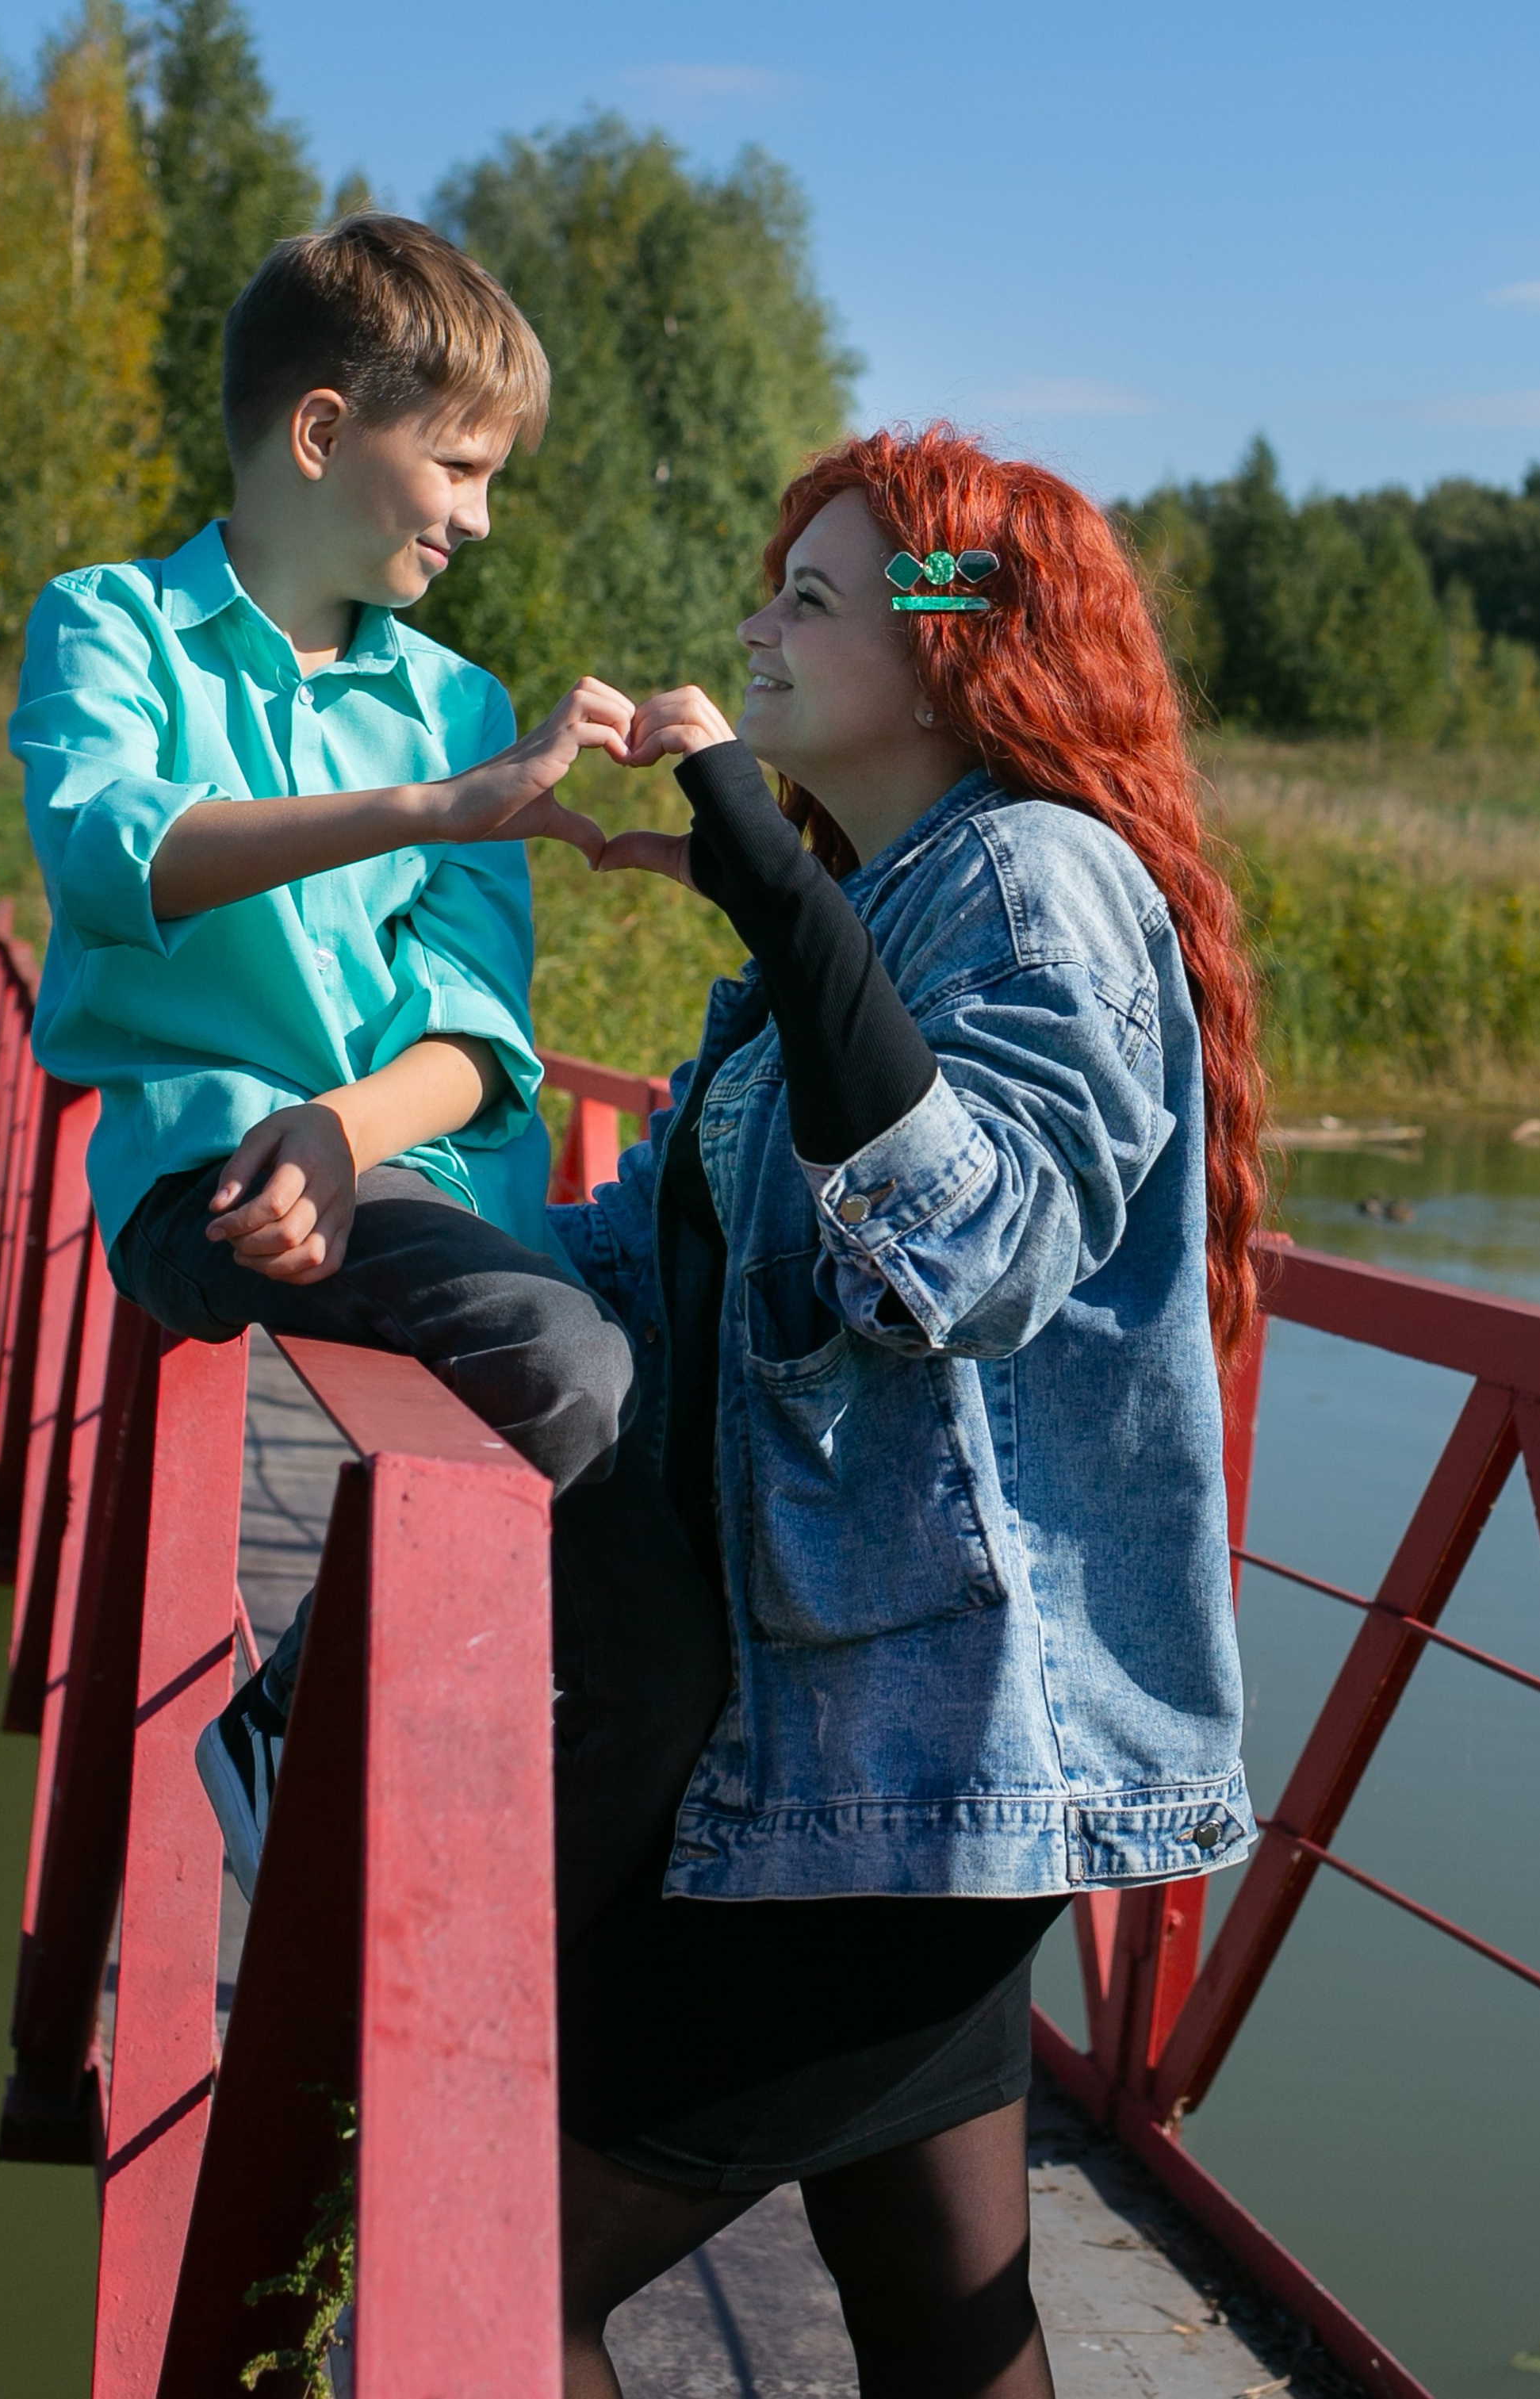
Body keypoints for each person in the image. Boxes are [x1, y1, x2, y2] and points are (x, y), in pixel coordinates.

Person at [550, 424, 1266, 2399]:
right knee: (947, 2325)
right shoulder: (875, 897)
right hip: (874, 1753)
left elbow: (974, 1257)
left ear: (959, 642)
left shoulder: (1030, 889)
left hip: (912, 1764)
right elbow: (657, 1268)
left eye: (813, 594)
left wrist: (768, 881)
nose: (758, 628)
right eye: (770, 581)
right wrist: (366, 1188)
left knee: (498, 2272)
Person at [7, 213, 688, 1905]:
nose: (478, 515)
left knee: (667, 1428)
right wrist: (428, 814)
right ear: (323, 433)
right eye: (457, 465)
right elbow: (114, 856)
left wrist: (336, 1126)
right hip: (200, 1178)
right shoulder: (109, 625)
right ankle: (293, 1730)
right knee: (572, 1365)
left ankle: (568, 1873)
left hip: (389, 1171)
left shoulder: (463, 702)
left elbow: (475, 1024)